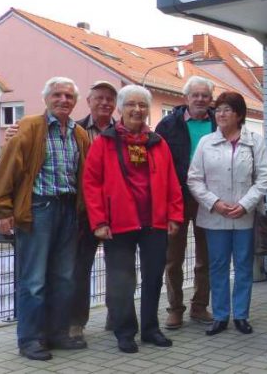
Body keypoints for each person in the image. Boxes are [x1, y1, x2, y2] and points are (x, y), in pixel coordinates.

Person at [0, 77, 90, 360]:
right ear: (46, 98)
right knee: (33, 280)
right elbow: (6, 169)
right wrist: (2, 210)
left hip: (68, 211)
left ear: (75, 101)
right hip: (38, 210)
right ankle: (31, 340)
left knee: (64, 277)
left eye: (69, 96)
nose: (63, 100)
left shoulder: (79, 133)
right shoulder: (29, 127)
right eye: (57, 94)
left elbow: (83, 176)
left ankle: (56, 334)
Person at [83, 85, 183, 353]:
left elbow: (172, 181)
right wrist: (99, 221)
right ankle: (125, 332)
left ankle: (151, 329)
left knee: (153, 278)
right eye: (131, 104)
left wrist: (175, 215)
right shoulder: (104, 142)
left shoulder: (158, 143)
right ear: (121, 109)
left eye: (142, 105)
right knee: (121, 281)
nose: (137, 110)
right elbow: (91, 184)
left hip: (155, 222)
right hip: (118, 223)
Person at [188, 91, 267, 337]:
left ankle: (242, 316)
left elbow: (264, 177)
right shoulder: (206, 142)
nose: (221, 114)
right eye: (219, 109)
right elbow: (194, 179)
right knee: (218, 266)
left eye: (227, 109)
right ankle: (221, 316)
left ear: (239, 114)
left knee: (244, 266)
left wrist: (245, 204)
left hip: (244, 216)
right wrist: (215, 203)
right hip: (215, 216)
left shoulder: (255, 141)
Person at [155, 76, 217, 329]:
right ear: (186, 98)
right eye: (196, 95)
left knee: (206, 258)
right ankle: (175, 309)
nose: (201, 99)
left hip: (208, 198)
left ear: (210, 99)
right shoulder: (167, 125)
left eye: (205, 95)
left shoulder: (219, 123)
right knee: (173, 258)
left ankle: (200, 307)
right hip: (177, 198)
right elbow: (157, 164)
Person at [70, 81, 118, 341]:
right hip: (84, 210)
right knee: (80, 268)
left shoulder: (123, 132)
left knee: (118, 267)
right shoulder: (74, 130)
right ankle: (76, 322)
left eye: (110, 99)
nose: (104, 103)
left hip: (116, 210)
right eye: (99, 98)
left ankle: (116, 315)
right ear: (88, 101)